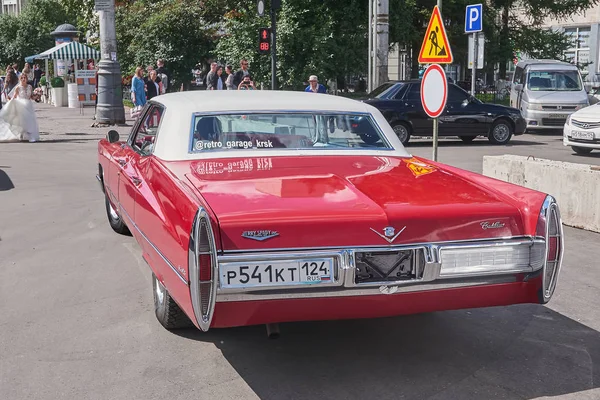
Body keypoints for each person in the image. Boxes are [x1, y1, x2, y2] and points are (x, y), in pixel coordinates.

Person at [0, 73, 40, 142]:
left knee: (30, 120)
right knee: (23, 121)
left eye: (25, 78)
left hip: (28, 106)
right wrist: (11, 102)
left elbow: (31, 97)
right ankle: (23, 134)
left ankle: (30, 135)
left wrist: (37, 95)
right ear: (20, 79)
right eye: (22, 78)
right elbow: (14, 97)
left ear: (27, 79)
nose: (23, 79)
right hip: (20, 106)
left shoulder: (29, 87)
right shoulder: (18, 87)